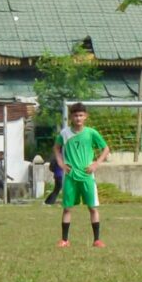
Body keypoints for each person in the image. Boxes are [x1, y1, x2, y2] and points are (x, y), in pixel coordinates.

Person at [57, 103, 107, 247]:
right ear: (71, 117)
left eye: (81, 115)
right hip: (70, 176)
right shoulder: (64, 133)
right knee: (67, 208)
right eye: (75, 115)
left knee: (92, 207)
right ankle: (64, 240)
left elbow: (105, 148)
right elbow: (56, 148)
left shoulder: (91, 133)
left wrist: (96, 164)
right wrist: (61, 163)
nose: (78, 118)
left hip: (87, 176)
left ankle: (97, 240)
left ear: (85, 117)